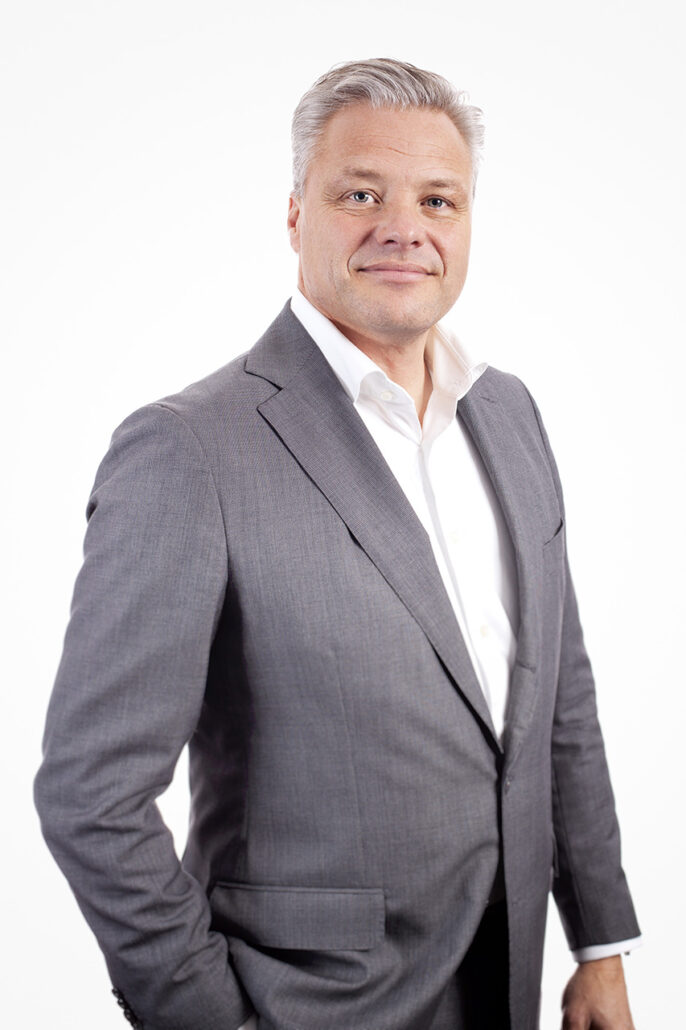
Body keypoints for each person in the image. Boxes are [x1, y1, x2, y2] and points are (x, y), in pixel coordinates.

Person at [34, 58, 641, 1030]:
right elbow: (90, 794)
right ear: (294, 216)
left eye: (437, 200)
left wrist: (598, 945)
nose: (403, 227)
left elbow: (557, 695)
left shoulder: (508, 413)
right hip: (306, 1003)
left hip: (509, 986)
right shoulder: (191, 449)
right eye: (361, 194)